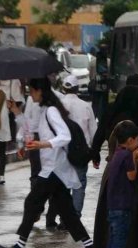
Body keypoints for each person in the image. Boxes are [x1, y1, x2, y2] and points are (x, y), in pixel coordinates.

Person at [0, 78, 94, 248]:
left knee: (31, 202)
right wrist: (17, 112)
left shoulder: (52, 111)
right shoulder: (43, 110)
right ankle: (89, 246)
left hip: (55, 169)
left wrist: (44, 143)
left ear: (40, 91)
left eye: (31, 91)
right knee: (67, 211)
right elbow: (29, 130)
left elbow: (64, 136)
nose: (30, 95)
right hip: (53, 168)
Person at [91, 76, 138, 248]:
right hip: (127, 176)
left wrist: (94, 155)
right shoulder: (130, 122)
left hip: (114, 174)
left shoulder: (113, 112)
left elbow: (99, 134)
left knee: (120, 222)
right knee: (127, 220)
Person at [45, 75, 98, 229]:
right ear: (76, 89)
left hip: (61, 150)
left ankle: (64, 217)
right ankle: (74, 218)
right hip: (81, 152)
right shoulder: (86, 106)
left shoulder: (57, 106)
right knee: (79, 185)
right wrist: (94, 154)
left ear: (64, 88)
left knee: (62, 185)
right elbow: (93, 131)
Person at [103, 121, 138, 248]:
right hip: (122, 204)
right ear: (131, 140)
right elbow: (132, 176)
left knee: (114, 238)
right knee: (119, 239)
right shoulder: (126, 154)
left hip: (113, 204)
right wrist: (136, 158)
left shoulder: (117, 153)